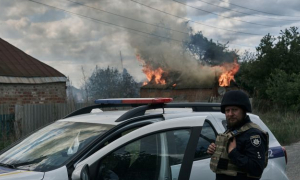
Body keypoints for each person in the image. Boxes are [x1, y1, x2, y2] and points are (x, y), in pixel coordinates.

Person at [207, 90, 269, 180]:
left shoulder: (253, 134)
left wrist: (233, 153)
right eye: (227, 110)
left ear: (244, 111)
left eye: (234, 110)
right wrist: (215, 151)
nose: (230, 114)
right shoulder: (231, 130)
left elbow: (256, 168)